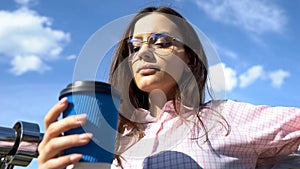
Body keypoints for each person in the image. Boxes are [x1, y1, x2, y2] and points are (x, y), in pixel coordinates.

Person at [38, 6, 300, 169]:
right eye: (134, 46)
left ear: (189, 57)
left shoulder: (228, 118)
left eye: (161, 41)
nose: (143, 53)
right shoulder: (109, 136)